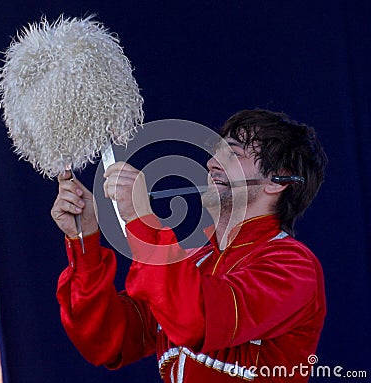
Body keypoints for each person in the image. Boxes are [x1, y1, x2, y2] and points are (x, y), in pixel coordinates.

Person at [52, 109, 327, 382]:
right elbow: (106, 341)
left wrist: (141, 218)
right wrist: (84, 239)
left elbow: (197, 319)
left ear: (277, 180)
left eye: (233, 153)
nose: (211, 163)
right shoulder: (195, 262)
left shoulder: (293, 265)